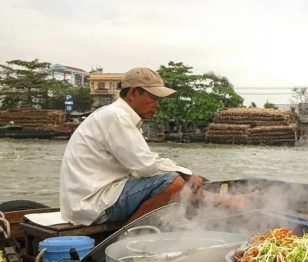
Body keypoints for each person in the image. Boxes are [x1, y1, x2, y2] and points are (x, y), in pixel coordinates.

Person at [60, 67, 244, 225]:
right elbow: (145, 166)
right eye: (153, 98)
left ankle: (229, 200)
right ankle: (127, 235)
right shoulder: (116, 117)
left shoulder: (117, 116)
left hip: (92, 199)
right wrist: (186, 174)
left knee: (183, 180)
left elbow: (142, 164)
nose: (157, 104)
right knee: (173, 183)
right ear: (133, 93)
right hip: (92, 203)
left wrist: (187, 175)